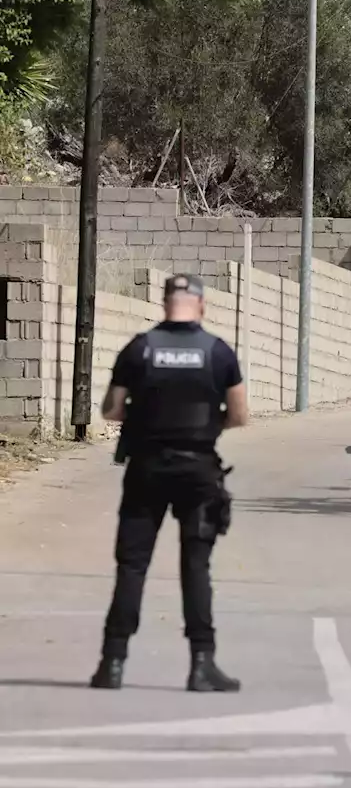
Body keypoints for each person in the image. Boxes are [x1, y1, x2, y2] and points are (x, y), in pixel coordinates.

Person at [90, 273, 249, 692]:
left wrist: (143, 417)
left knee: (132, 565)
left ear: (164, 304)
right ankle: (202, 664)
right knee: (196, 566)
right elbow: (239, 415)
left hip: (146, 469)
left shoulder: (139, 349)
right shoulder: (218, 353)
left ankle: (112, 663)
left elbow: (110, 409)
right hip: (198, 473)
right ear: (200, 306)